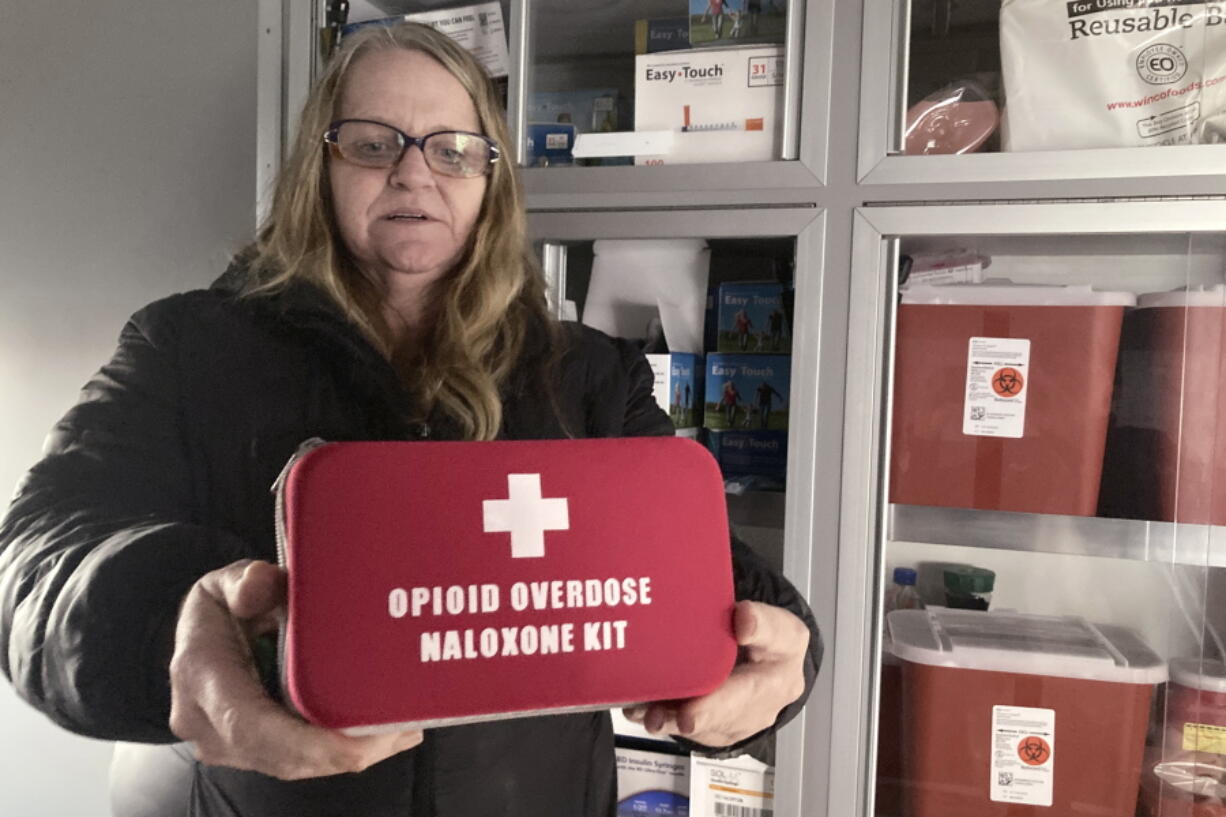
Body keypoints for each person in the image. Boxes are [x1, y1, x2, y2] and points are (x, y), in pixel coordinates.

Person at [0, 21, 820, 817]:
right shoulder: (189, 347)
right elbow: (34, 561)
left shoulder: (591, 378)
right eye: (372, 142)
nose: (414, 172)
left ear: (490, 181)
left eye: (453, 149)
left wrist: (784, 664)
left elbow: (717, 580)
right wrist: (164, 629)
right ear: (317, 168)